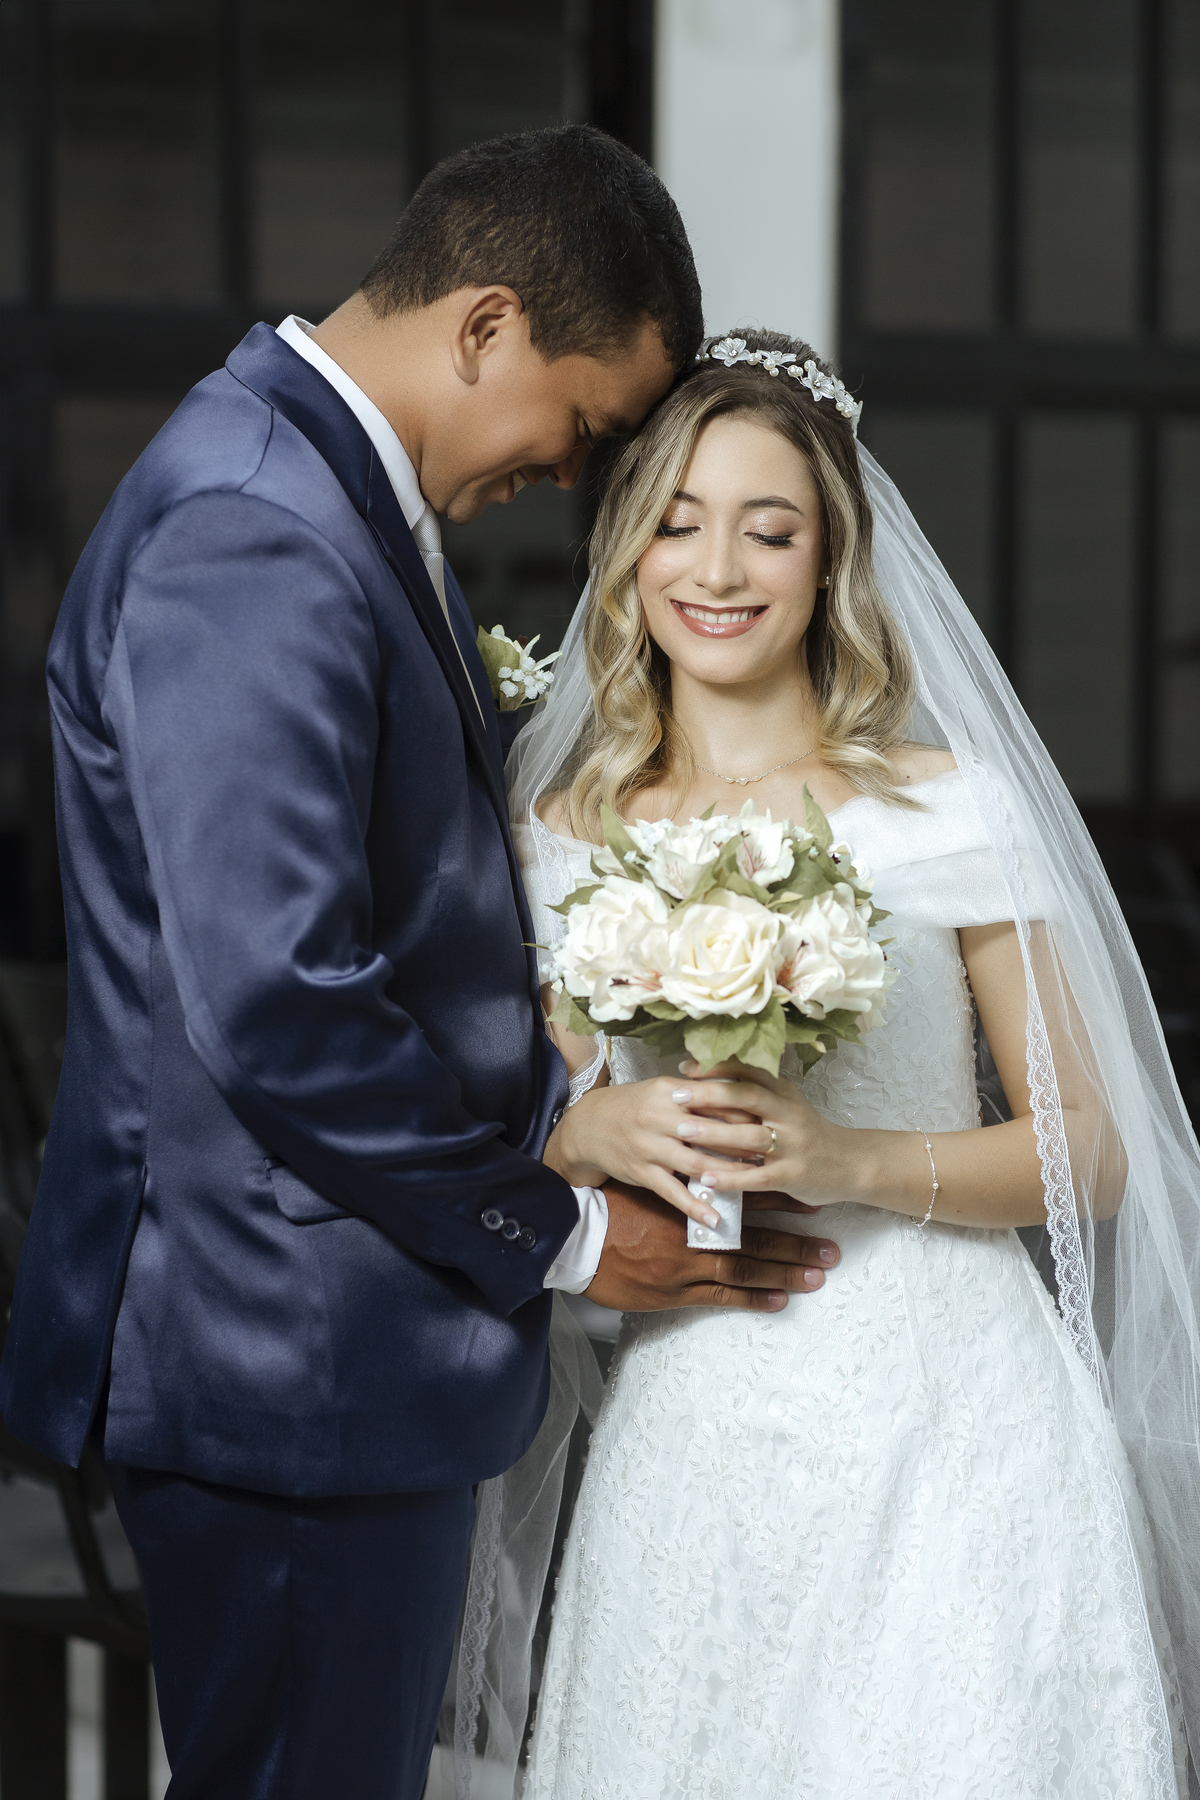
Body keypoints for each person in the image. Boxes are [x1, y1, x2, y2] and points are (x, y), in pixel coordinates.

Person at [0, 138, 840, 1799]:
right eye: (586, 424)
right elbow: (280, 999)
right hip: (285, 1345)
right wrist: (563, 1231)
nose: (574, 472)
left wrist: (565, 1094)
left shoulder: (313, 487)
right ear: (487, 327)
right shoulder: (253, 526)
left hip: (324, 1334)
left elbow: (396, 922)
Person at [485, 329, 1200, 1797]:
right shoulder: (563, 830)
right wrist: (588, 1133)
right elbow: (525, 1122)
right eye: (677, 522)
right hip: (698, 1411)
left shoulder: (949, 810)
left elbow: (1091, 1147)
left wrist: (851, 1159)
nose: (718, 569)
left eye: (771, 529)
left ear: (831, 562)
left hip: (951, 1413)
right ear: (628, 552)